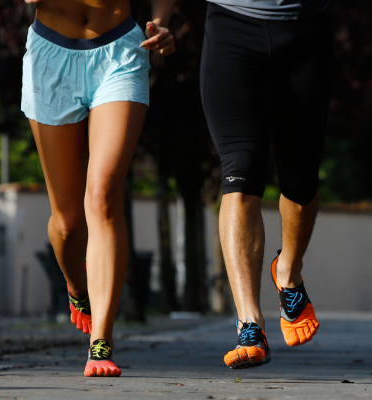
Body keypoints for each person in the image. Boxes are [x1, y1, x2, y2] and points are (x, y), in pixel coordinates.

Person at [21, 0, 175, 377]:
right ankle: (77, 286)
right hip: (50, 54)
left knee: (103, 195)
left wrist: (161, 22)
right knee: (68, 223)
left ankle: (101, 342)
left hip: (121, 51)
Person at [200, 0, 331, 370]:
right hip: (232, 26)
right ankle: (249, 324)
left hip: (305, 28)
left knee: (300, 178)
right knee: (240, 173)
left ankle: (287, 272)